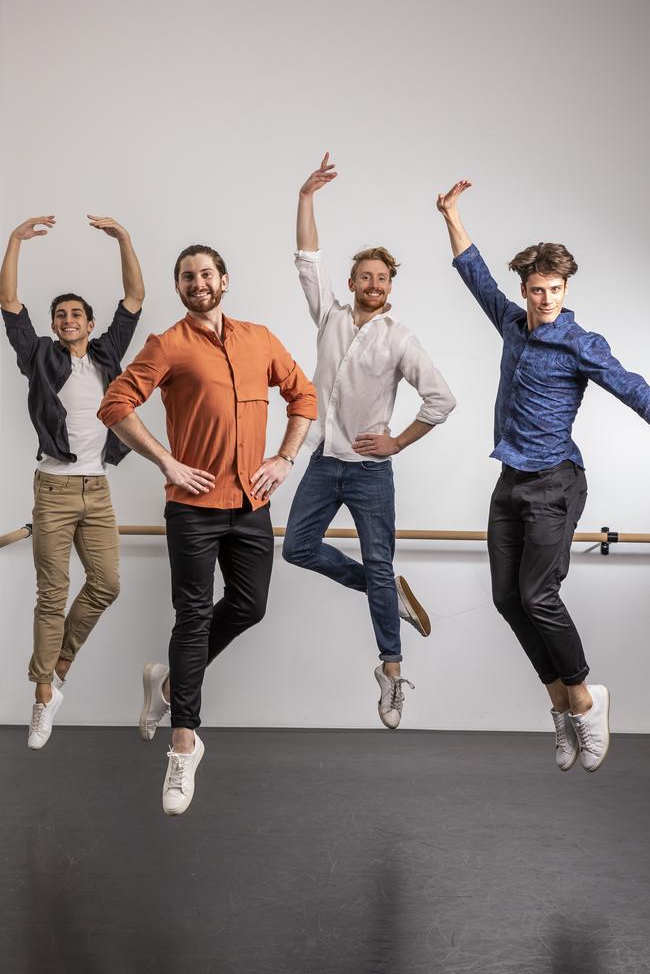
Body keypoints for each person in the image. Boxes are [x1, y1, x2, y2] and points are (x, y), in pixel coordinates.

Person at [437, 179, 650, 772]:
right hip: (510, 481)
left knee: (539, 594)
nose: (547, 299)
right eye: (537, 290)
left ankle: (585, 699)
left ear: (566, 288)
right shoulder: (511, 322)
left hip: (556, 482)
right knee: (508, 598)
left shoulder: (581, 342)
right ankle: (559, 705)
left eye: (556, 289)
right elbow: (473, 270)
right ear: (525, 290)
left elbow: (635, 389)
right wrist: (452, 214)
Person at [98, 243, 317, 815]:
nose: (198, 283)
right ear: (180, 287)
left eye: (206, 274)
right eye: (187, 277)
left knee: (249, 605)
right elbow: (116, 402)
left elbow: (304, 395)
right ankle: (183, 742)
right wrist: (166, 461)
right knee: (193, 613)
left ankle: (170, 683)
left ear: (224, 279)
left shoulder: (260, 339)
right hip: (192, 506)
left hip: (251, 503)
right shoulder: (168, 344)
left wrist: (285, 459)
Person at [283, 155, 456, 729]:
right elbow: (308, 261)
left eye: (382, 279)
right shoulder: (329, 318)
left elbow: (441, 401)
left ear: (389, 286)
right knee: (297, 548)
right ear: (354, 282)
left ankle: (390, 671)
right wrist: (306, 196)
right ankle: (386, 592)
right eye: (365, 277)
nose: (373, 285)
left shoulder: (400, 339)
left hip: (367, 471)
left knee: (380, 563)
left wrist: (398, 442)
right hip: (323, 461)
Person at [0, 214, 144, 749]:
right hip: (54, 490)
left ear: (87, 322)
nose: (67, 319)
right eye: (60, 314)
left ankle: (59, 667)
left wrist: (125, 239)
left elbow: (133, 297)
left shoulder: (108, 354)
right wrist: (14, 241)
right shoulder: (37, 355)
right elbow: (10, 305)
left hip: (97, 489)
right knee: (51, 595)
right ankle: (41, 700)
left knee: (106, 583)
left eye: (75, 313)